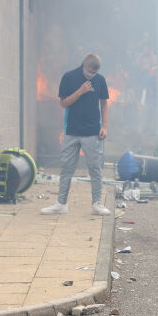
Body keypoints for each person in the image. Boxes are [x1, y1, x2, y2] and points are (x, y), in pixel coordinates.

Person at [41, 53, 111, 216]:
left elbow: (104, 103)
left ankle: (97, 204)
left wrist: (105, 126)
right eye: (89, 72)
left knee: (95, 168)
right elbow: (63, 103)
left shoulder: (100, 80)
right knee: (66, 168)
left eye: (94, 73)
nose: (91, 75)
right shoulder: (69, 77)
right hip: (71, 131)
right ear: (84, 66)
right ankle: (61, 203)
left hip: (93, 132)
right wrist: (80, 91)